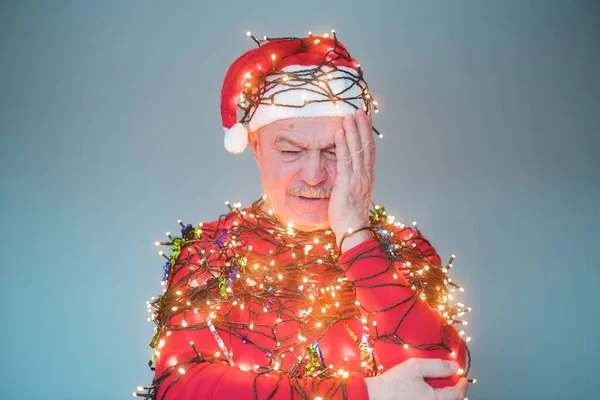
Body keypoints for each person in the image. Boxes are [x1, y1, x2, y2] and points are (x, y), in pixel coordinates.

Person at [135, 31, 471, 400]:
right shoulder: (209, 253)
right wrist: (366, 394)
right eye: (291, 150)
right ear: (255, 146)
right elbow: (180, 389)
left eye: (333, 151)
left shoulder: (405, 251)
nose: (314, 175)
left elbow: (440, 387)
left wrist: (357, 236)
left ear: (362, 151)